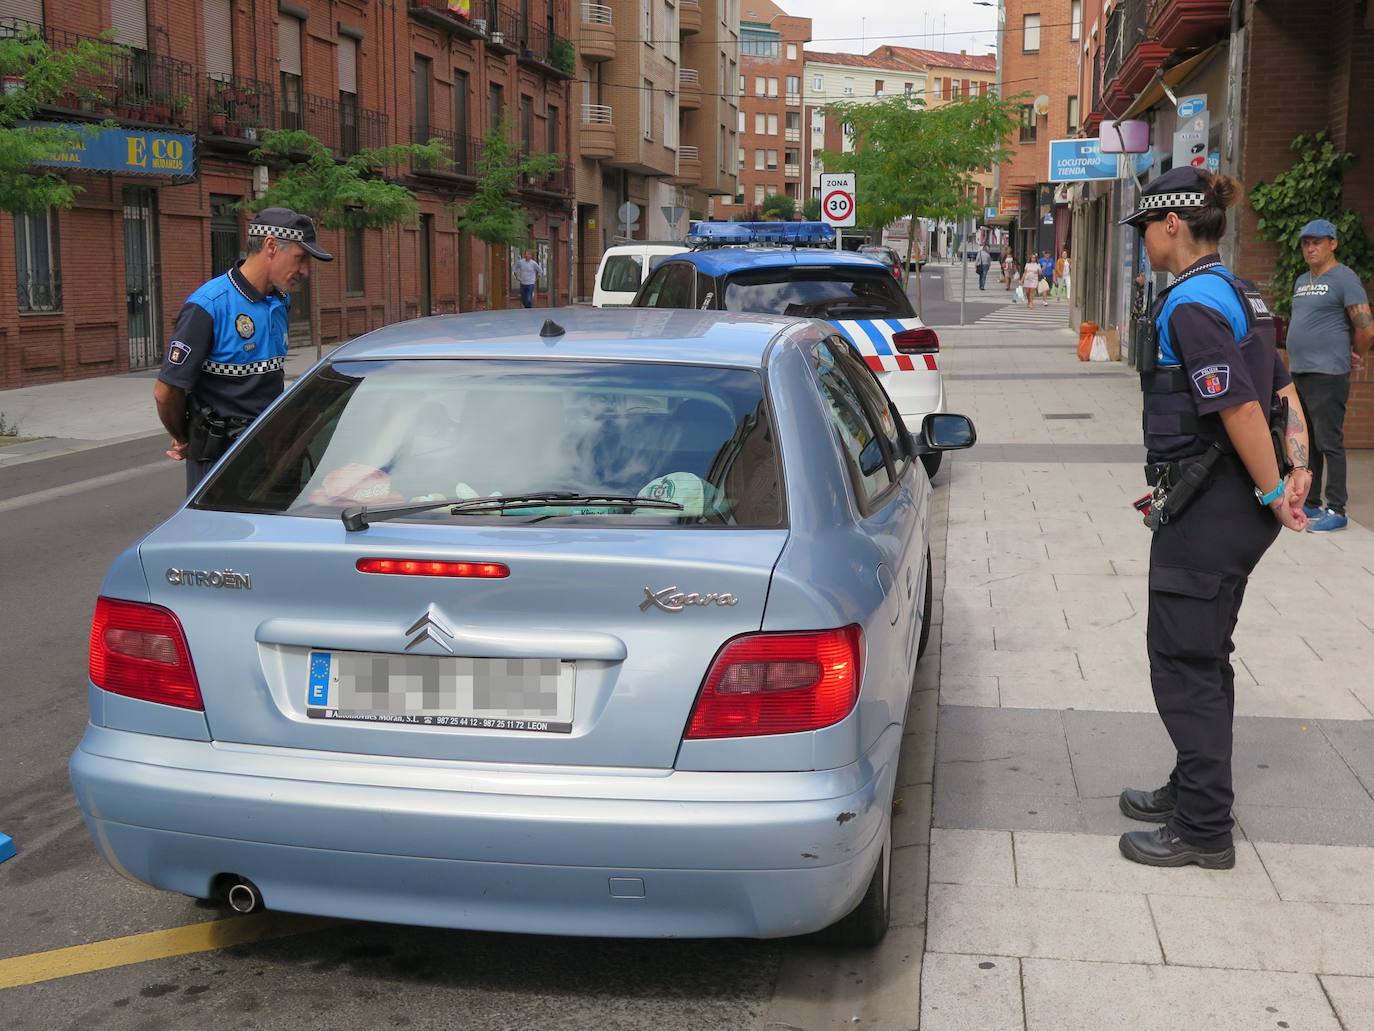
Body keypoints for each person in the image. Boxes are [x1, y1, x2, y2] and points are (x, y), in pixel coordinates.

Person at [1116, 166, 1311, 870]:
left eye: (1144, 228)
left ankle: (1203, 826)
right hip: (1232, 506)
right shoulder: (1244, 294)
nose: (1140, 242)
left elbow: (1239, 407)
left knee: (1183, 661)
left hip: (1211, 505)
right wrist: (1298, 470)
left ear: (1173, 224)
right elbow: (1284, 388)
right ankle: (1192, 786)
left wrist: (1273, 493)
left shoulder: (1191, 304)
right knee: (1207, 654)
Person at [154, 207, 333, 494]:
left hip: (274, 453)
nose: (305, 271)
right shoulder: (209, 306)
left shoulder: (280, 301)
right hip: (223, 462)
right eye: (300, 259)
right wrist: (182, 436)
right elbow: (167, 392)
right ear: (271, 246)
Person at [1284, 218, 1374, 532]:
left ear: (1332, 244)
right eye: (1306, 242)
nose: (1311, 247)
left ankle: (1337, 508)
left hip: (1329, 373)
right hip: (1302, 372)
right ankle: (1311, 503)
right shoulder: (1301, 281)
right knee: (1308, 442)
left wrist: (1356, 354)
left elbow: (1366, 326)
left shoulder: (1344, 277)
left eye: (1317, 242)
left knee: (1329, 441)